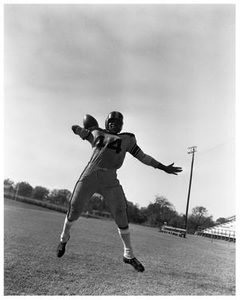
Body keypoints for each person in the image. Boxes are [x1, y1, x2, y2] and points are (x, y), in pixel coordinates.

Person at [57, 111, 182, 272]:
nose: (114, 124)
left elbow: (143, 157)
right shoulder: (96, 133)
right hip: (90, 174)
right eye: (111, 122)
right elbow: (75, 128)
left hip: (110, 178)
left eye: (117, 123)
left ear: (121, 125)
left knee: (120, 212)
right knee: (74, 208)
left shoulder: (127, 139)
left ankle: (128, 254)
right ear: (106, 123)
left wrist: (163, 167)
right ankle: (64, 238)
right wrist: (84, 130)